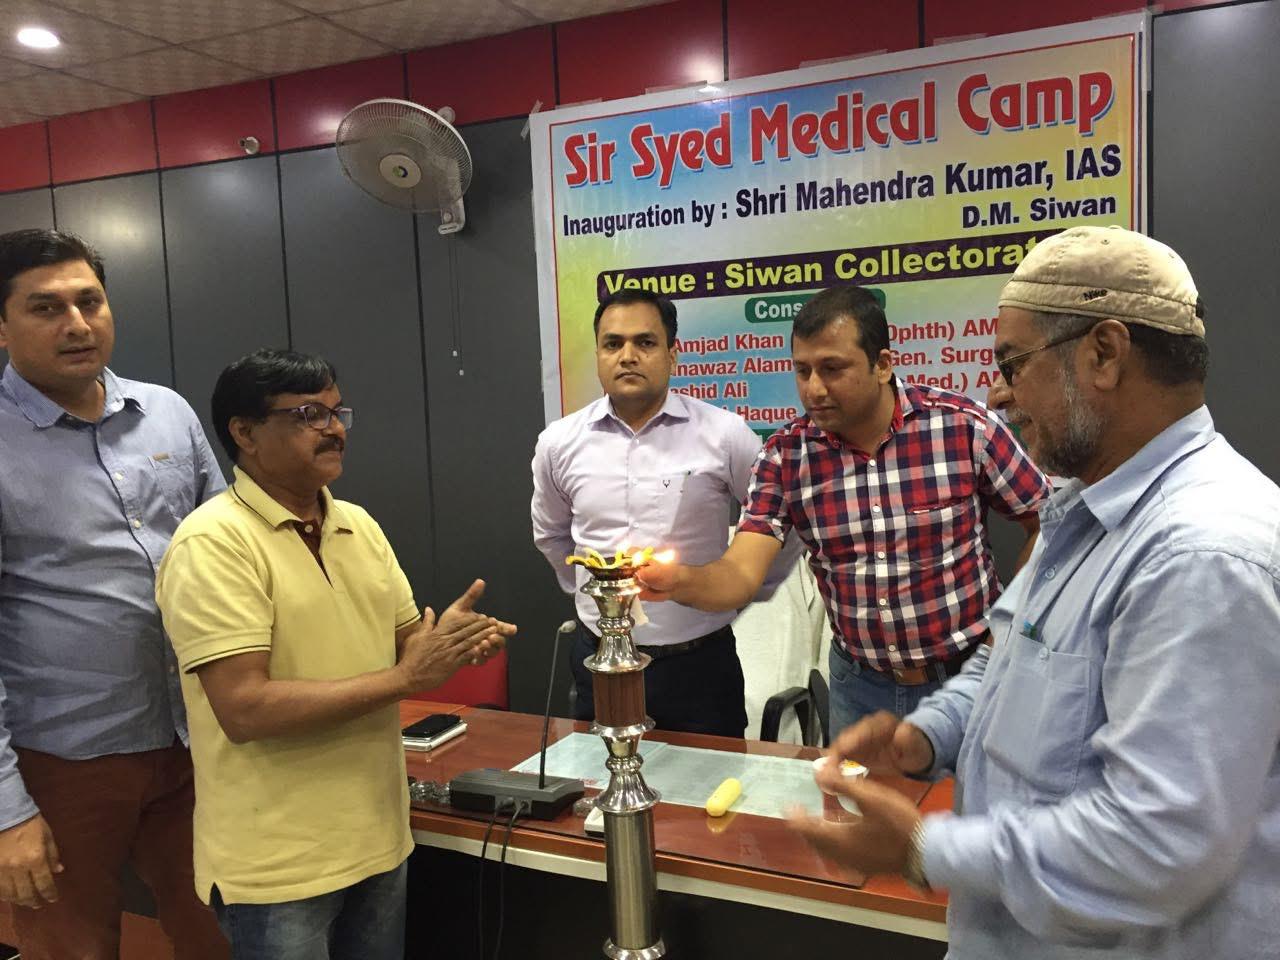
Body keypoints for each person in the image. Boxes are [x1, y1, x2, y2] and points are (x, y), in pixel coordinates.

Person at [788, 226, 1280, 959]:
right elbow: (1008, 656)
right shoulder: (1080, 505)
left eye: (1013, 364)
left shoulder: (1200, 555)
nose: (997, 391)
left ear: (1104, 354)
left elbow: (1158, 844)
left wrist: (925, 848)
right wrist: (926, 736)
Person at [154, 349, 515, 960]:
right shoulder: (212, 543)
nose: (334, 429)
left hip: (379, 841)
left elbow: (407, 642)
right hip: (279, 867)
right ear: (244, 433)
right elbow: (244, 709)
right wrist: (405, 678)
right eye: (307, 415)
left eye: (336, 411)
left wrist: (446, 643)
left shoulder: (358, 525)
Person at [638, 285, 1048, 732]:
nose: (814, 389)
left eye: (832, 369)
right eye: (803, 371)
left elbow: (1050, 526)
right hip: (859, 690)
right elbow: (740, 573)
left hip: (970, 677)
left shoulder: (962, 426)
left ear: (883, 365)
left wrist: (1009, 631)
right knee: (855, 785)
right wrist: (676, 580)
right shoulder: (786, 456)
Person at [0, 228, 228, 959]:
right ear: (1, 326)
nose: (77, 324)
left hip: (194, 738)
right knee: (73, 948)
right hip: (63, 757)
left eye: (89, 301)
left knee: (224, 934)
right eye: (46, 308)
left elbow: (227, 558)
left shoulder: (167, 413)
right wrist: (7, 812)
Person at [532, 288, 800, 738]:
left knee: (713, 782)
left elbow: (781, 528)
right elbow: (554, 538)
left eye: (645, 342)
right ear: (598, 355)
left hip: (699, 666)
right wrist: (599, 601)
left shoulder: (725, 435)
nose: (628, 356)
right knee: (601, 776)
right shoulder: (559, 443)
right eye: (613, 344)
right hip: (599, 658)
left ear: (673, 354)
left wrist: (738, 589)